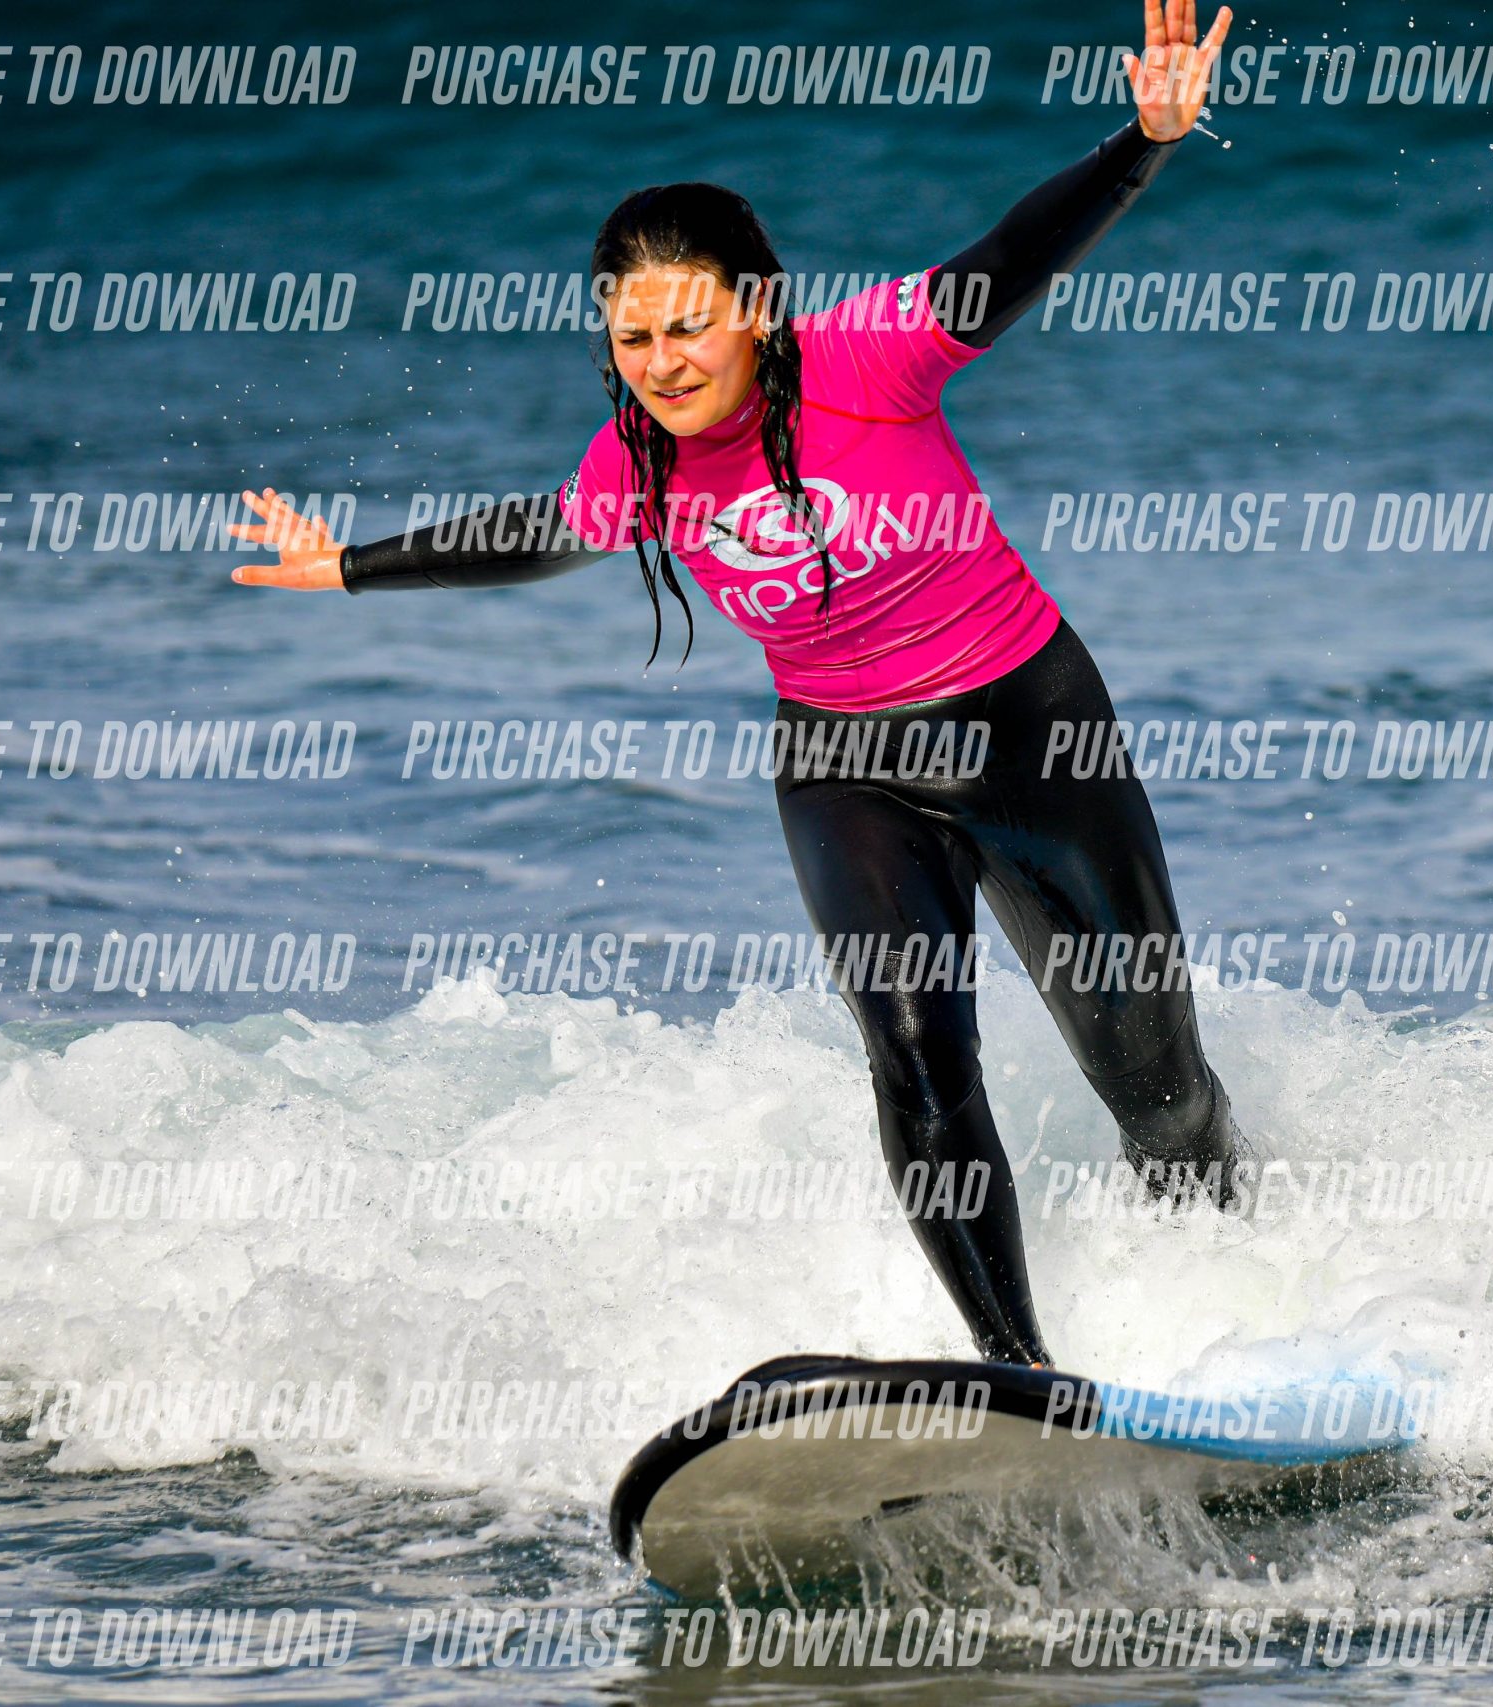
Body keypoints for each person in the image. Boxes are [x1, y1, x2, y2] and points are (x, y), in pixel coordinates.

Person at [229, 0, 1247, 1369]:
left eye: (689, 328)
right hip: (845, 772)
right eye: (633, 340)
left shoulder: (871, 355)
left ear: (756, 310)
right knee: (916, 1056)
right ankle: (1019, 1369)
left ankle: (1238, 1285)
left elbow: (1011, 257)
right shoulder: (637, 461)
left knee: (1160, 1090)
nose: (663, 365)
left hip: (1029, 733)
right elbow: (540, 534)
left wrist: (1143, 143)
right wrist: (349, 566)